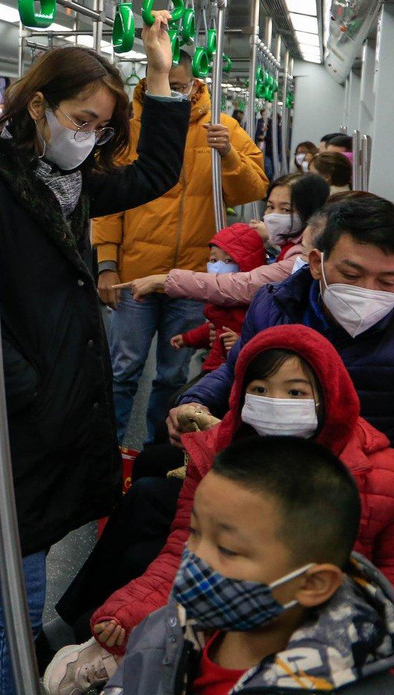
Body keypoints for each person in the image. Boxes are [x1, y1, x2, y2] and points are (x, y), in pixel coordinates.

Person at [0, 15, 191, 695]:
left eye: (101, 125)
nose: (89, 136)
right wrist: (20, 384)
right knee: (23, 575)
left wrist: (158, 74)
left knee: (16, 564)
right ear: (37, 105)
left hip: (58, 402)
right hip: (20, 412)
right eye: (80, 118)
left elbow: (156, 170)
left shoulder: (72, 179)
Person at [48, 325, 394, 692]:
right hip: (228, 617)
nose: (276, 402)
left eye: (295, 392)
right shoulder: (221, 456)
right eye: (260, 389)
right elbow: (183, 543)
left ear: (328, 395)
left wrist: (382, 662)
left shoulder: (391, 478)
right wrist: (133, 609)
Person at [98, 438, 394, 694]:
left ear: (312, 584)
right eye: (195, 532)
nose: (196, 557)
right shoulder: (165, 630)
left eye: (227, 549)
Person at [172, 195, 394, 461]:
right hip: (269, 460)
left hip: (372, 484)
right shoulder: (275, 306)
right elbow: (238, 367)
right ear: (316, 264)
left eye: (388, 281)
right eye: (352, 274)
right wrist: (195, 402)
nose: (368, 291)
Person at [95, 48, 269, 444]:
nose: (171, 95)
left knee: (172, 376)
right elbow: (105, 205)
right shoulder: (130, 128)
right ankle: (109, 451)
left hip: (192, 278)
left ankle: (160, 451)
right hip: (135, 274)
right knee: (122, 371)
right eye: (163, 86)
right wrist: (106, 263)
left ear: (195, 84)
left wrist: (227, 155)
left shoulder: (221, 127)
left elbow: (252, 189)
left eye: (178, 87)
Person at [124, 176, 331, 307]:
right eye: (269, 206)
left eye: (285, 209)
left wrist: (164, 280)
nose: (272, 216)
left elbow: (244, 286)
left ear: (310, 214)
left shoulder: (300, 259)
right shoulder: (286, 247)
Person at [170, 223, 267, 372]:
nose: (218, 267)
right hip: (215, 367)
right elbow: (213, 329)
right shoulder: (219, 303)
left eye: (228, 261)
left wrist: (241, 342)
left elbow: (262, 336)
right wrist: (187, 339)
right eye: (213, 261)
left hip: (235, 370)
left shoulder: (254, 307)